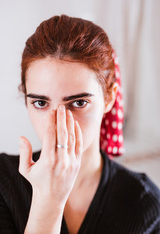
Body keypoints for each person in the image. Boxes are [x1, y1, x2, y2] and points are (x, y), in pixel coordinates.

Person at [0, 14, 160, 234]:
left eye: (78, 102)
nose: (57, 124)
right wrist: (48, 201)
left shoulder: (146, 206)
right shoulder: (3, 182)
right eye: (40, 102)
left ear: (109, 98)